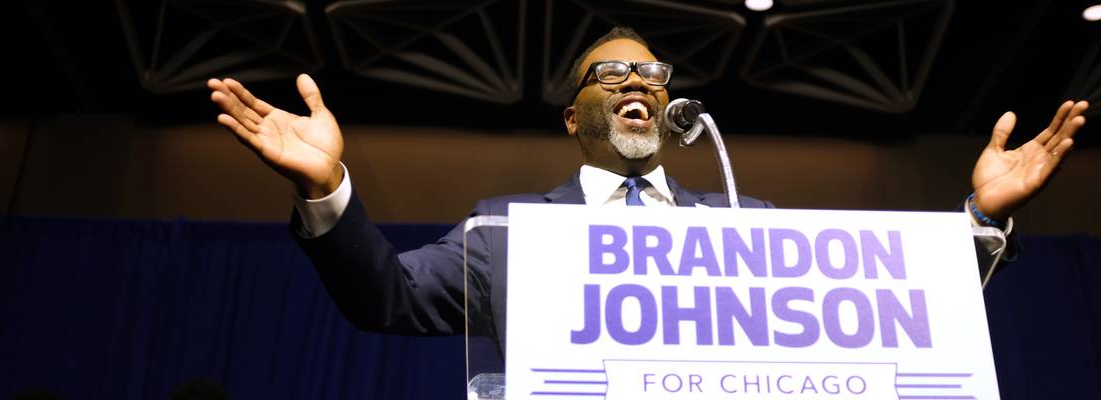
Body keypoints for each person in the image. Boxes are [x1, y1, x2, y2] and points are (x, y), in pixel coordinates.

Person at [206, 28, 1089, 345]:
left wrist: (981, 221)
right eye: (610, 74)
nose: (638, 83)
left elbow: (891, 305)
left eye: (654, 75)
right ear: (572, 116)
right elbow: (387, 299)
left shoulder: (750, 224)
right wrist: (329, 191)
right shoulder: (512, 233)